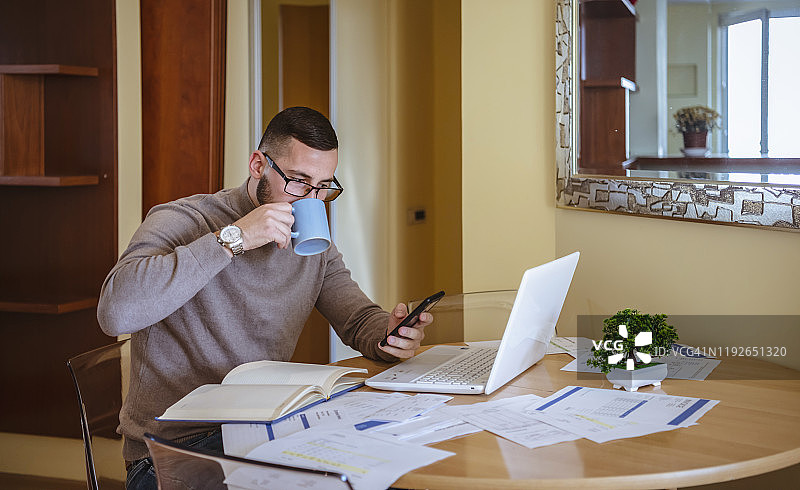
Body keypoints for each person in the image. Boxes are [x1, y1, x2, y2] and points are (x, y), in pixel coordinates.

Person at [97, 106, 430, 489]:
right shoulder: (186, 219)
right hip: (172, 450)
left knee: (381, 472)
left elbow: (357, 319)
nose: (311, 199)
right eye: (299, 181)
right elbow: (115, 313)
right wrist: (234, 239)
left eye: (324, 186)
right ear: (258, 165)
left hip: (264, 434)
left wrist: (391, 333)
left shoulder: (311, 242)